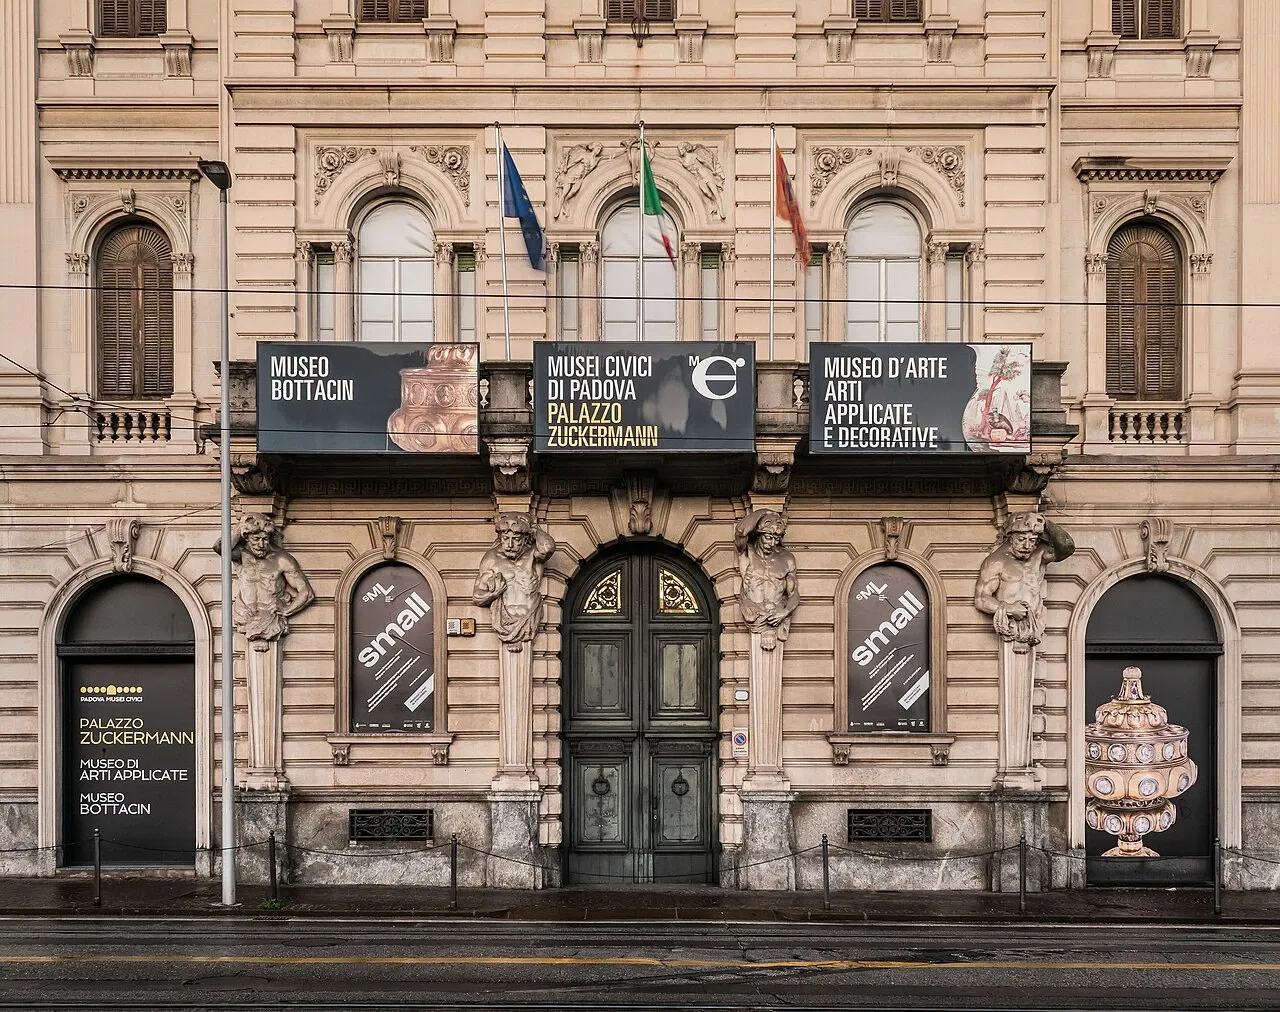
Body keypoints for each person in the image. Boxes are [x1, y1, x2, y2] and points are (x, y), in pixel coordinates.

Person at [973, 512, 1075, 650]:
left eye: (1032, 540)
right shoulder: (996, 561)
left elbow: (1066, 548)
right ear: (1010, 537)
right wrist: (1009, 609)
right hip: (1009, 625)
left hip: (1034, 626)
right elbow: (981, 599)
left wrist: (1045, 523)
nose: (1027, 546)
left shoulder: (1039, 556)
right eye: (1021, 539)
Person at [219, 514, 315, 651]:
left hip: (272, 618)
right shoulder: (241, 555)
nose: (261, 545)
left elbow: (307, 593)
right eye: (256, 539)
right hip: (245, 615)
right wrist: (238, 530)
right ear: (246, 538)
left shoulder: (282, 559)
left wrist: (287, 610)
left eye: (265, 539)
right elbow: (220, 548)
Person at [472, 513, 556, 651]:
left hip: (529, 619)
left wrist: (534, 529)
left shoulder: (532, 554)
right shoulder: (491, 558)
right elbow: (477, 596)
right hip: (504, 623)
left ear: (525, 539)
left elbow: (548, 548)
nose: (509, 544)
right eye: (505, 539)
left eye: (516, 539)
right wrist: (494, 594)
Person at [735, 510, 800, 651]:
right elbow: (740, 531)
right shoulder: (747, 552)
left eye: (776, 539)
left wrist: (784, 612)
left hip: (775, 614)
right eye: (768, 537)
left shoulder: (787, 559)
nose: (772, 543)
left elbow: (794, 593)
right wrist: (765, 511)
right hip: (753, 613)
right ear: (759, 535)